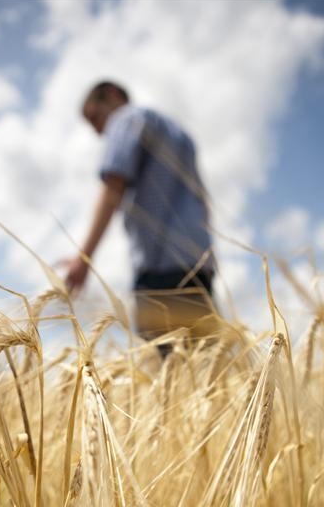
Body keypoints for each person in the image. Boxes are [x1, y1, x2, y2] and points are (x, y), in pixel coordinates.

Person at [64, 80, 218, 343]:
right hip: (199, 263)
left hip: (160, 267)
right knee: (204, 357)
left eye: (94, 117)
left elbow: (113, 186)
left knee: (167, 361)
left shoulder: (126, 119)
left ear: (112, 94)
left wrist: (84, 258)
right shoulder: (180, 135)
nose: (98, 131)